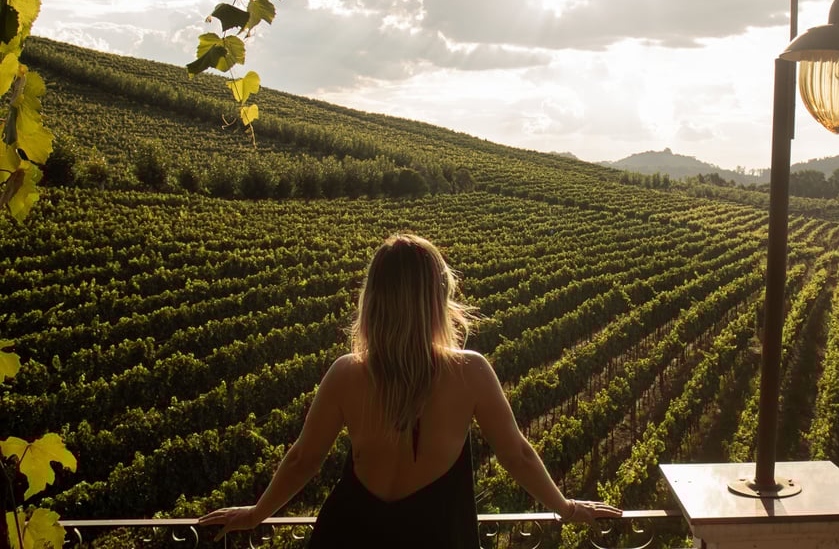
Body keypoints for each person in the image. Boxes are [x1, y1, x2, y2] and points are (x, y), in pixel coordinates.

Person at [198, 233, 621, 546]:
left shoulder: (345, 373)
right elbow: (518, 454)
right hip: (436, 537)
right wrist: (565, 507)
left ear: (374, 299)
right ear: (438, 297)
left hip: (350, 535)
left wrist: (258, 513)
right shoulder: (469, 371)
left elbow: (303, 460)